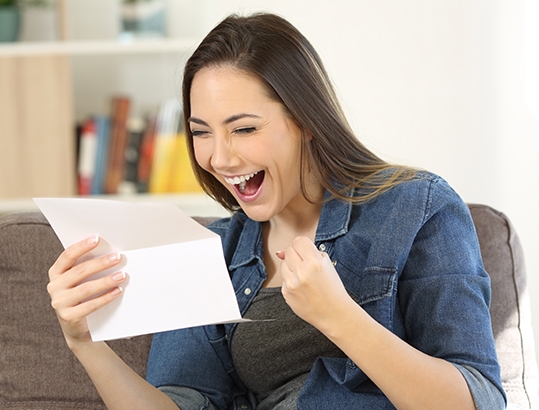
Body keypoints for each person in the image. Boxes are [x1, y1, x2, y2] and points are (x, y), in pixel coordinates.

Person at [46, 12, 506, 410]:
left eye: (243, 129)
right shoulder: (215, 253)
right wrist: (85, 342)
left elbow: (476, 399)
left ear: (304, 120)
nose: (219, 158)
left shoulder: (415, 209)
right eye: (201, 132)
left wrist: (340, 317)